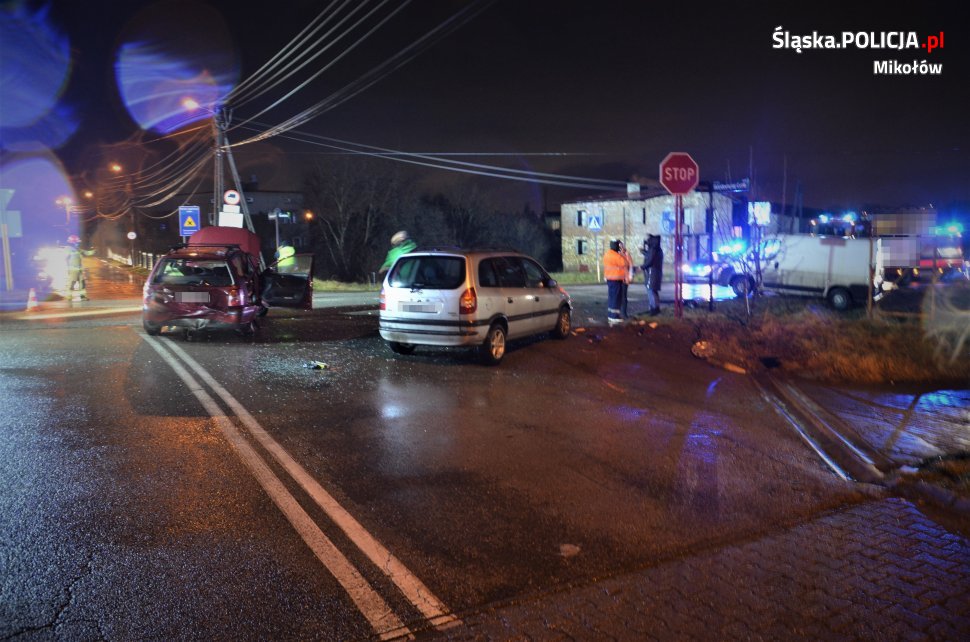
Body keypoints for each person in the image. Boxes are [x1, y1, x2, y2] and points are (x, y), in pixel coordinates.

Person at [603, 239, 630, 325]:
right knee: (616, 298)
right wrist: (623, 253)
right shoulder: (616, 256)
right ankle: (614, 317)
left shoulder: (607, 254)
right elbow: (625, 263)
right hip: (616, 280)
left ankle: (611, 315)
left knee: (611, 298)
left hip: (609, 279)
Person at [641, 234, 663, 315]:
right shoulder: (657, 249)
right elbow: (650, 256)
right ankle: (655, 307)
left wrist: (642, 267)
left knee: (651, 290)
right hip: (655, 272)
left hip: (652, 273)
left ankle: (654, 308)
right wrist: (644, 251)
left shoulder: (654, 249)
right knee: (653, 290)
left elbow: (650, 260)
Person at [65, 235, 88, 301]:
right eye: (76, 242)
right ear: (73, 242)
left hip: (80, 269)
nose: (78, 243)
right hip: (73, 270)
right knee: (72, 283)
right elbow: (66, 259)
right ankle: (69, 297)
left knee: (82, 283)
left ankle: (83, 296)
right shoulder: (68, 249)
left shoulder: (78, 248)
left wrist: (92, 251)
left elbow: (85, 253)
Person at [617, 240, 634, 318]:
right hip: (617, 278)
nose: (621, 248)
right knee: (618, 296)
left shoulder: (626, 254)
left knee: (623, 296)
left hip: (624, 278)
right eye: (619, 246)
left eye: (622, 246)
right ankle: (618, 313)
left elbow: (631, 265)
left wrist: (630, 276)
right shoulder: (616, 254)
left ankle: (623, 313)